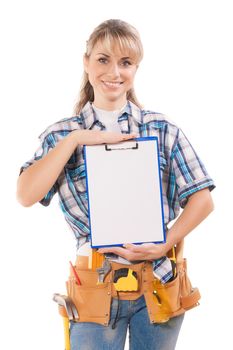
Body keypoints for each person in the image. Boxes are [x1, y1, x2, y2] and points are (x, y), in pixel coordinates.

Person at [17, 19, 215, 350]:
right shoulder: (60, 135)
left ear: (136, 67)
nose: (114, 72)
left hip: (158, 283)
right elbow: (25, 194)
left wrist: (165, 243)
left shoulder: (162, 129)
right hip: (94, 286)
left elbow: (203, 200)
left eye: (125, 62)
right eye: (103, 59)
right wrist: (76, 140)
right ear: (87, 62)